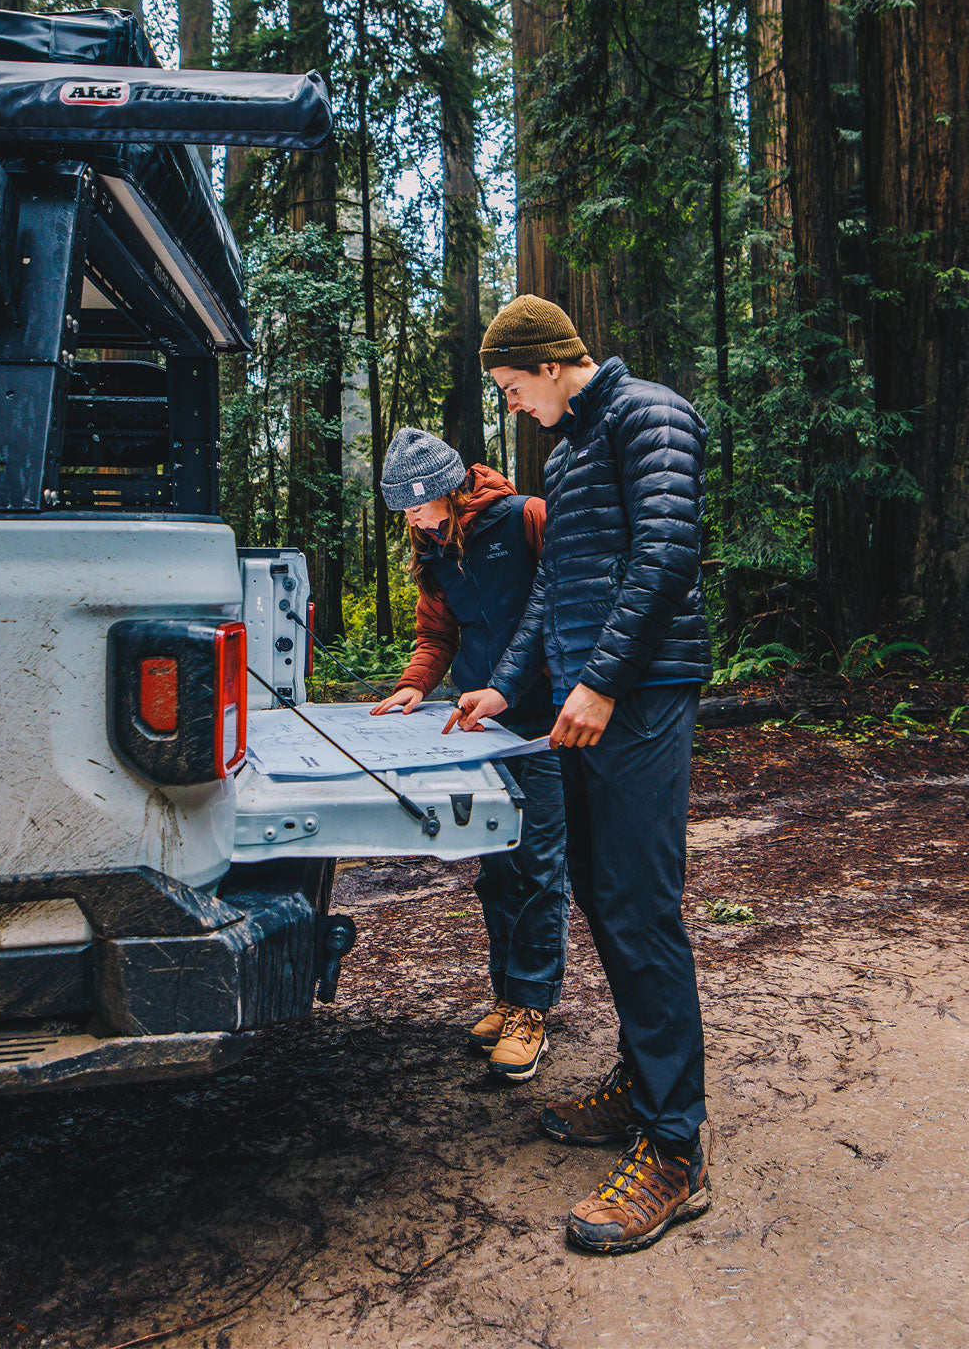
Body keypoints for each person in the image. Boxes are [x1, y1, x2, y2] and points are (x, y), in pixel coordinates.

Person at [446, 295, 714, 1256]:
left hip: (639, 697)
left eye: (513, 386)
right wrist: (498, 685)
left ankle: (675, 1149)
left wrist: (601, 679)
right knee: (601, 896)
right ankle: (644, 1088)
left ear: (547, 364)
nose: (512, 405)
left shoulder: (653, 414)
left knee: (639, 905)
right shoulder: (564, 454)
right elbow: (553, 592)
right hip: (579, 704)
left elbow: (669, 552)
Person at [372, 427, 569, 1082]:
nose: (413, 520)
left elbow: (560, 615)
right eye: (403, 511)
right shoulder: (433, 549)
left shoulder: (529, 518)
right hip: (477, 730)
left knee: (540, 867)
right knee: (497, 870)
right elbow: (437, 635)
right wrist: (411, 686)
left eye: (417, 506)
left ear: (451, 490)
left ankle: (533, 1011)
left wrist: (535, 690)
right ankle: (507, 996)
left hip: (541, 726)